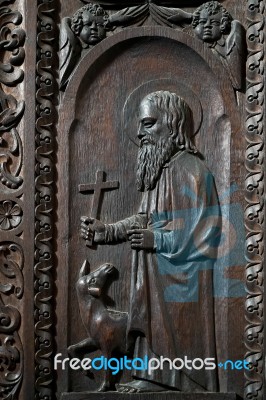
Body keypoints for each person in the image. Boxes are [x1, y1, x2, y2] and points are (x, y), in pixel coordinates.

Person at [81, 91, 221, 392]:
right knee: (149, 321)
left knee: (172, 327)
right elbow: (143, 218)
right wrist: (107, 231)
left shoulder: (193, 172)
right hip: (151, 276)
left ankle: (174, 382)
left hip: (180, 282)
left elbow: (203, 233)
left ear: (172, 126)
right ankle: (148, 376)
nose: (139, 133)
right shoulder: (160, 172)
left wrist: (156, 239)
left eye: (148, 124)